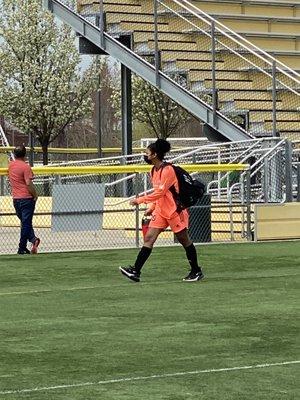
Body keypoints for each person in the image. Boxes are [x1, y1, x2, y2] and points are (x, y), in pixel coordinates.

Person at [119, 139, 204, 282]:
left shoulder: (168, 170)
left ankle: (196, 270)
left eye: (147, 153)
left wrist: (139, 200)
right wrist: (152, 208)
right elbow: (159, 193)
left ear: (154, 155)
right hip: (161, 211)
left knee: (184, 240)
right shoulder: (153, 170)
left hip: (174, 211)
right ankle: (136, 271)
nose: (145, 155)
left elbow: (160, 192)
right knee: (149, 238)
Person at [8, 145, 40, 255]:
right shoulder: (25, 167)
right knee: (26, 223)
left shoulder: (11, 165)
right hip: (26, 199)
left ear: (15, 154)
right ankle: (23, 246)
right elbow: (29, 183)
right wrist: (35, 195)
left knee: (25, 223)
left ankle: (32, 240)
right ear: (25, 154)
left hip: (16, 199)